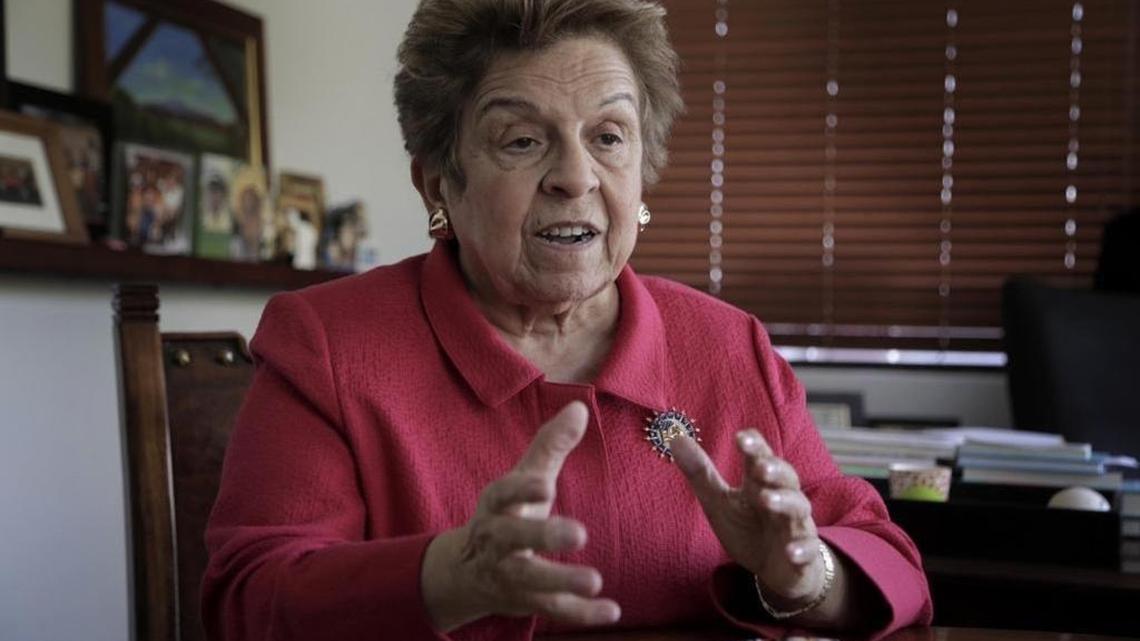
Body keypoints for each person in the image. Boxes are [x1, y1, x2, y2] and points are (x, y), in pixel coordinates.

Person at [202, 1, 933, 640]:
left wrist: (803, 576)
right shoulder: (329, 345)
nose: (575, 176)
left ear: (642, 174)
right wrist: (449, 576)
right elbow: (249, 602)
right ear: (438, 182)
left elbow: (891, 563)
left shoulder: (729, 346)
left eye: (609, 137)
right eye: (522, 140)